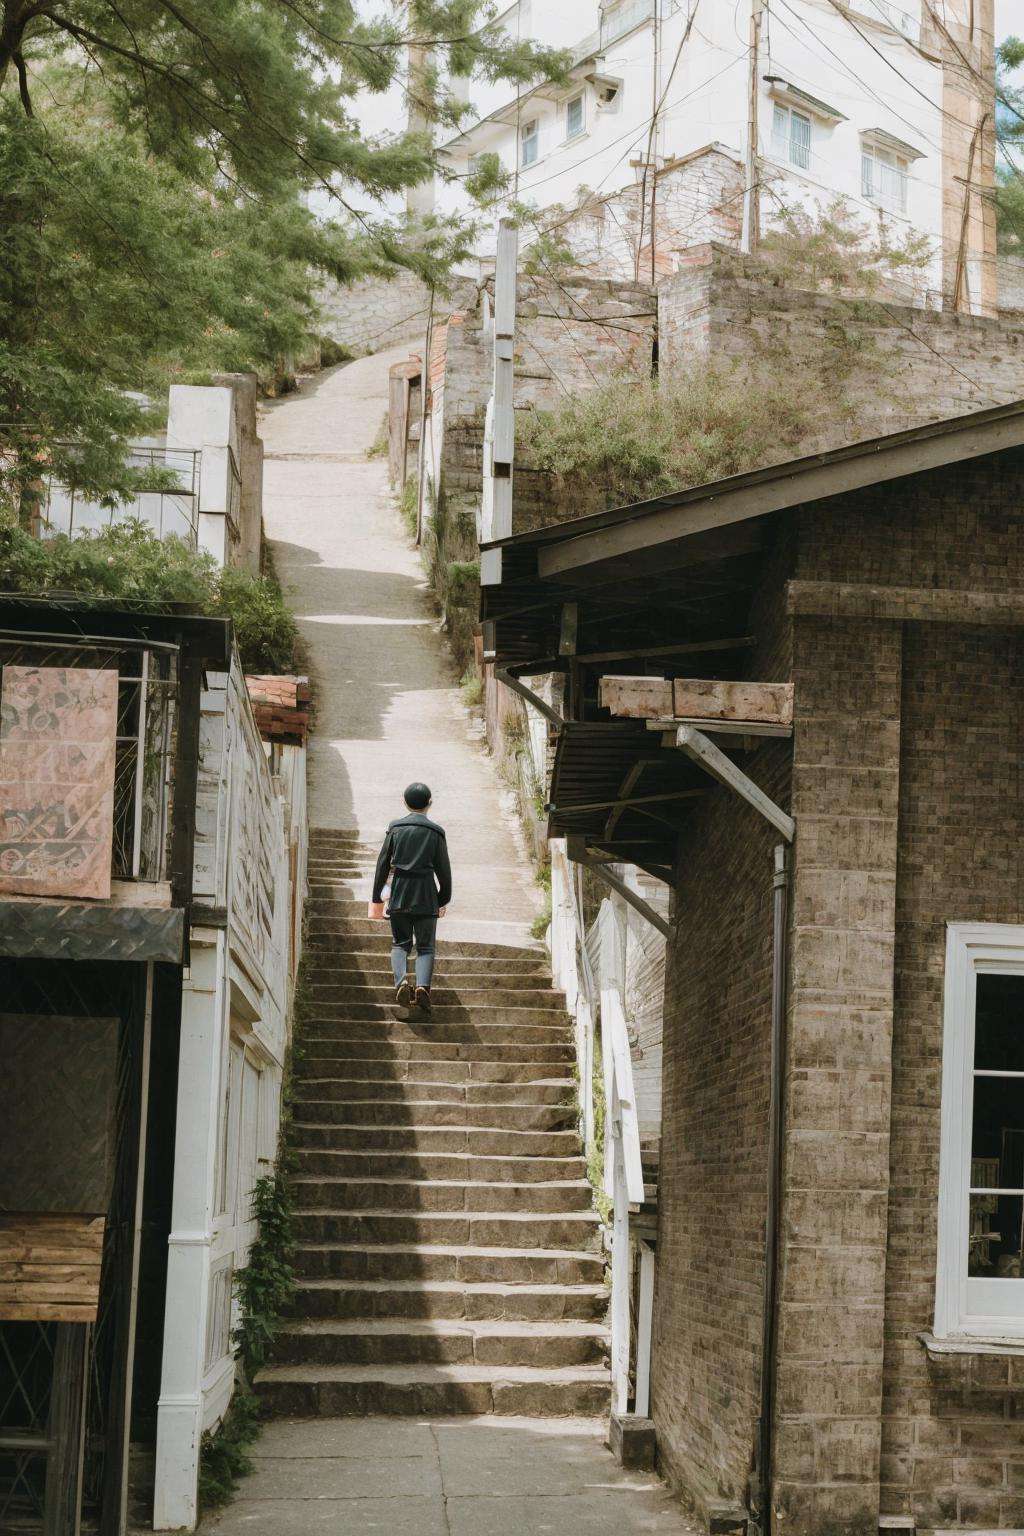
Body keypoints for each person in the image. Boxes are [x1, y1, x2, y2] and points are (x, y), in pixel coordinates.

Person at [372, 782, 452, 1014]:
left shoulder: (395, 829)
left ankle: (401, 983)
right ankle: (423, 989)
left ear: (404, 803)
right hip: (426, 894)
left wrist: (378, 898)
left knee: (400, 943)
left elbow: (382, 865)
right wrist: (442, 900)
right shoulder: (436, 832)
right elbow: (444, 871)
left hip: (400, 893)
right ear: (430, 804)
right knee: (426, 947)